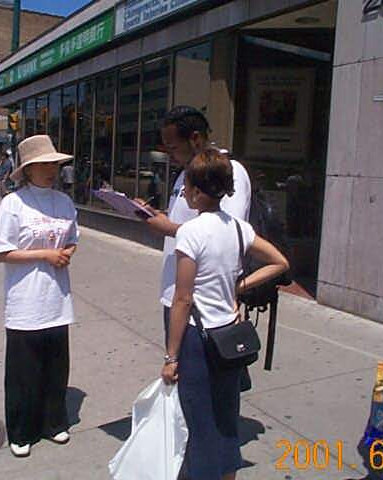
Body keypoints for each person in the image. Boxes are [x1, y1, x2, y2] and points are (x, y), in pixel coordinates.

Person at [161, 149, 289, 479]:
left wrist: (171, 357)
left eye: (186, 187)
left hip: (198, 339)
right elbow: (280, 262)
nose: (185, 193)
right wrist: (239, 285)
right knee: (226, 417)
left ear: (196, 191)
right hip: (230, 335)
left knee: (199, 421)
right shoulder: (239, 229)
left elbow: (182, 299)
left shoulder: (190, 232)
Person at [0, 135, 78, 458]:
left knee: (56, 368)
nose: (50, 170)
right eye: (43, 165)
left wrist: (66, 253)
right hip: (25, 300)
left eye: (54, 164)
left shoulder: (64, 202)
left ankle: (53, 422)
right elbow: (2, 252)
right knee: (23, 372)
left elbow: (72, 238)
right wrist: (45, 254)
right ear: (28, 170)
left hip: (56, 298)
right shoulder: (13, 204)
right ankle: (21, 430)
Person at [138, 106, 251, 341]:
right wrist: (154, 215)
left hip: (206, 302)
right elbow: (187, 220)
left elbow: (227, 235)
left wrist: (168, 228)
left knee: (194, 361)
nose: (170, 155)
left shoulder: (229, 171)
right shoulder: (185, 173)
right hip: (176, 291)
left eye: (173, 148)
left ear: (196, 139)